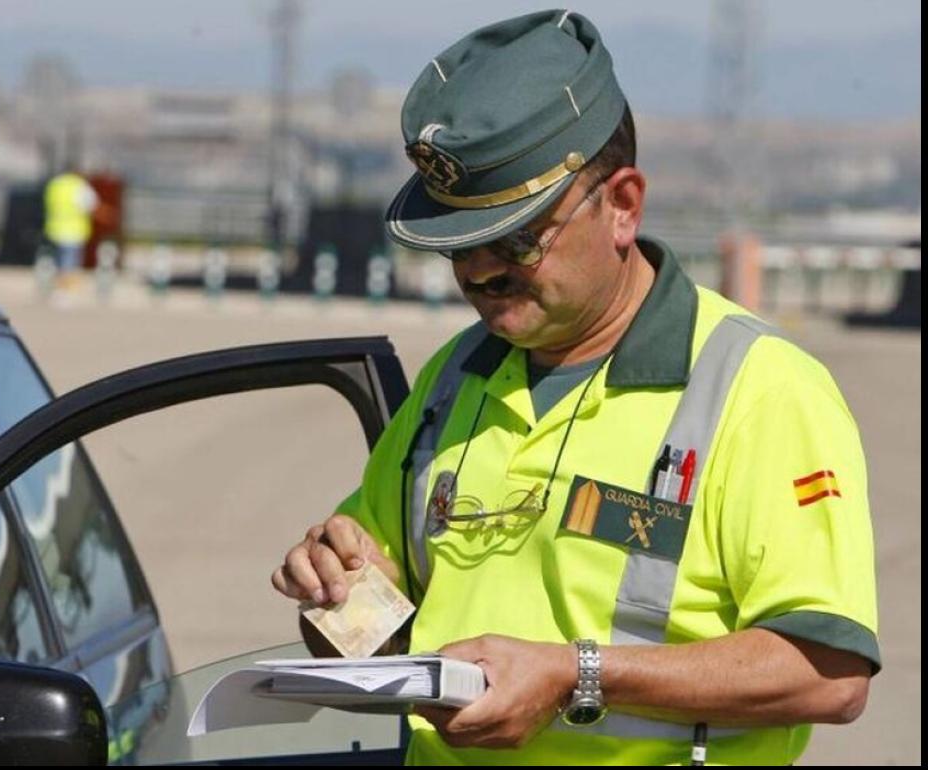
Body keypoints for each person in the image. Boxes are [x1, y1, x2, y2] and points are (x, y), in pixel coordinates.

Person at [271, 10, 878, 765]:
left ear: (622, 204)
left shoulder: (758, 389)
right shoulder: (454, 378)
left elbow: (830, 672)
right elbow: (382, 637)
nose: (479, 272)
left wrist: (575, 675)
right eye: (456, 246)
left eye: (517, 238)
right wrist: (335, 590)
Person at [43, 164, 98, 293]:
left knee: (58, 258)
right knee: (70, 260)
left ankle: (56, 283)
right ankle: (65, 287)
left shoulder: (55, 184)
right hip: (73, 230)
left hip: (55, 229)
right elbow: (90, 204)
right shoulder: (79, 186)